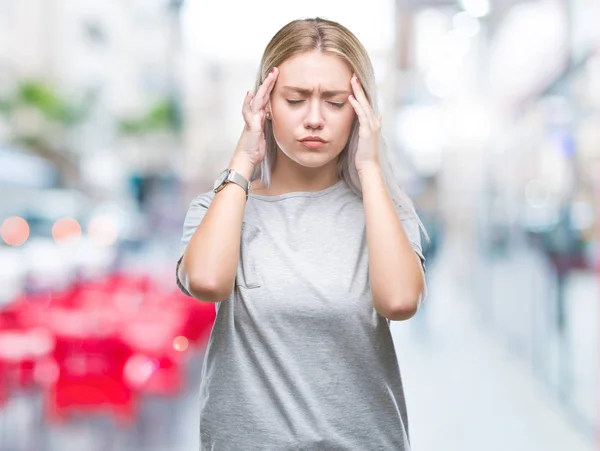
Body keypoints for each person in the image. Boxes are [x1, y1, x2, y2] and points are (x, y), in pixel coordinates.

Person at [176, 17, 426, 451]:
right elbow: (207, 283)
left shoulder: (385, 213)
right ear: (265, 104)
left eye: (334, 101)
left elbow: (401, 302)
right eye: (295, 99)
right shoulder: (221, 206)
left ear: (361, 110)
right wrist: (242, 159)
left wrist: (369, 168)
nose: (314, 119)